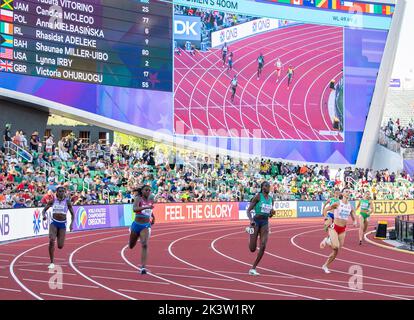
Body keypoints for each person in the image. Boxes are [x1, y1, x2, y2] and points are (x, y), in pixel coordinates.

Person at [320, 188, 357, 274]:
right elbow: (326, 209)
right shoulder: (338, 203)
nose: (348, 193)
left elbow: (353, 214)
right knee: (335, 246)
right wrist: (326, 218)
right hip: (334, 227)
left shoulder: (350, 206)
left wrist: (355, 221)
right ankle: (327, 240)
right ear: (343, 194)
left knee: (337, 250)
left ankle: (325, 265)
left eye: (349, 192)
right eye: (346, 191)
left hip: (343, 229)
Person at [246, 181, 275, 276]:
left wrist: (272, 213)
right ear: (263, 187)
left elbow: (270, 214)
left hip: (265, 223)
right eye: (267, 186)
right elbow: (248, 210)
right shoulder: (258, 196)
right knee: (252, 249)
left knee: (263, 245)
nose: (269, 187)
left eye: (269, 186)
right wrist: (251, 220)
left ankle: (253, 268)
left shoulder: (271, 199)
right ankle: (250, 231)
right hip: (256, 222)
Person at [42, 186, 75, 269]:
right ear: (56, 192)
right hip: (54, 223)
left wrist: (71, 224)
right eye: (59, 191)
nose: (61, 193)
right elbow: (44, 210)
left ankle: (58, 237)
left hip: (62, 224)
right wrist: (44, 216)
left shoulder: (67, 202)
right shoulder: (53, 201)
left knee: (60, 246)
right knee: (52, 240)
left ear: (65, 192)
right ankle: (52, 262)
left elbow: (72, 214)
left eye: (63, 191)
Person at [129, 185, 155, 275]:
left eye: (149, 190)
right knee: (131, 246)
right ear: (142, 191)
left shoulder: (151, 199)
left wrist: (153, 217)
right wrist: (145, 207)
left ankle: (143, 267)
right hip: (136, 224)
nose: (148, 192)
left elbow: (150, 210)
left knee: (144, 244)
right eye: (146, 190)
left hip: (146, 225)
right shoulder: (138, 199)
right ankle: (134, 237)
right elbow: (134, 209)